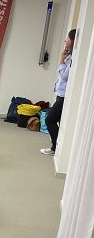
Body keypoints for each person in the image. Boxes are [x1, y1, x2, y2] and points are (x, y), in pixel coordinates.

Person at [41, 28, 76, 156]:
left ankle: (55, 148)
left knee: (49, 119)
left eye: (67, 38)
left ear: (72, 41)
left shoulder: (72, 58)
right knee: (59, 121)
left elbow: (65, 76)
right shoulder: (70, 55)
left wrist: (61, 60)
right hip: (60, 93)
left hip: (64, 96)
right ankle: (58, 147)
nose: (65, 40)